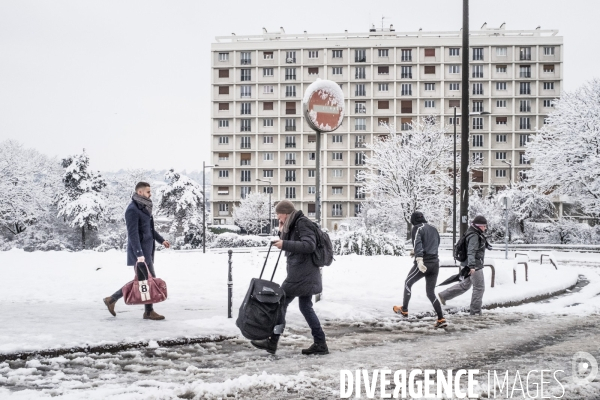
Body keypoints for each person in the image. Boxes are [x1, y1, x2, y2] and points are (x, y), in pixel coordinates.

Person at [250, 200, 328, 356]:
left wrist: (284, 243)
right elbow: (294, 241)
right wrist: (281, 231)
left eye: (278, 214)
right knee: (305, 307)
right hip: (303, 273)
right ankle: (320, 343)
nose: (277, 216)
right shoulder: (294, 224)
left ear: (285, 213)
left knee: (280, 304)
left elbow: (309, 245)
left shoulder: (302, 223)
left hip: (301, 275)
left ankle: (272, 341)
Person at [103, 182, 170, 320]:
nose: (150, 194)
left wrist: (161, 240)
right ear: (140, 192)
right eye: (148, 192)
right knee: (147, 280)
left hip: (147, 251)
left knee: (144, 280)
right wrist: (139, 255)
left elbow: (149, 230)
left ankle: (112, 299)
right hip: (140, 254)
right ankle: (148, 311)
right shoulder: (132, 210)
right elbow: (132, 234)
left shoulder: (144, 207)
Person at [393, 211, 447, 328]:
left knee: (408, 283)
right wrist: (419, 252)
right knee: (430, 292)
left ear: (413, 221)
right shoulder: (433, 228)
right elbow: (435, 243)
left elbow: (417, 242)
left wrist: (419, 258)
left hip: (424, 263)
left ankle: (404, 310)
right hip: (435, 263)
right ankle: (441, 318)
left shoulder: (417, 228)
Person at [438, 215, 491, 316]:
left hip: (467, 264)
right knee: (479, 288)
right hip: (474, 266)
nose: (485, 228)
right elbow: (471, 251)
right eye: (484, 226)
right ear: (479, 226)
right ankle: (475, 312)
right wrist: (472, 266)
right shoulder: (474, 235)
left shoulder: (472, 232)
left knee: (465, 285)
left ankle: (444, 295)